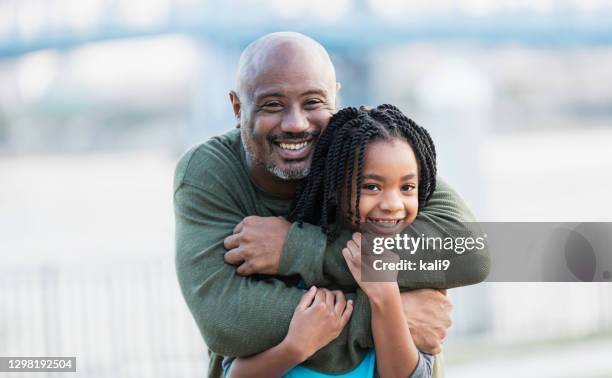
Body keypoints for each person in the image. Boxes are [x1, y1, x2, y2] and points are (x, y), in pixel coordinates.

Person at [174, 32, 490, 378]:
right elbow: (228, 322)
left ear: (335, 97)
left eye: (312, 102)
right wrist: (388, 314)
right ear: (237, 107)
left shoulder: (366, 150)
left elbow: (472, 252)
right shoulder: (210, 171)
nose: (295, 123)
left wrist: (297, 249)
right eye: (272, 105)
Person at [222, 105, 442, 377]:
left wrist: (386, 297)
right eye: (371, 187)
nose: (393, 204)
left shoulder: (412, 274)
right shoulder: (278, 259)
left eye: (407, 187)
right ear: (335, 188)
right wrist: (295, 347)